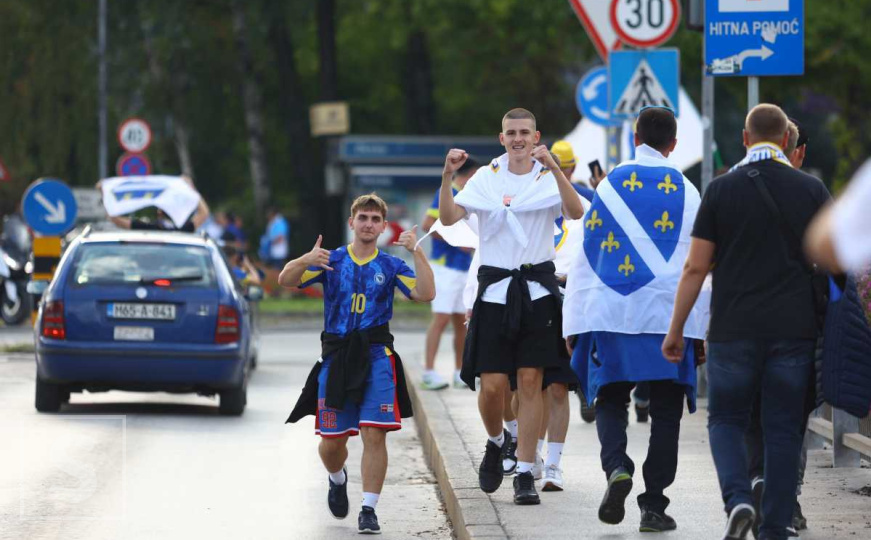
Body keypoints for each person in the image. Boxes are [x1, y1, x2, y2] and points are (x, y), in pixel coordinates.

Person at [663, 104, 830, 540]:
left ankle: (738, 499)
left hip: (733, 329)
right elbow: (835, 259)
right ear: (788, 141)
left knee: (726, 421)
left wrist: (677, 329)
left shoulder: (721, 190)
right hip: (793, 330)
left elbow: (695, 269)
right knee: (783, 426)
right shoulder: (811, 191)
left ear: (744, 139)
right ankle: (775, 525)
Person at [564, 106, 707, 533]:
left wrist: (576, 321)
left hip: (612, 314)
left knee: (609, 398)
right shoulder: (689, 191)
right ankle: (654, 505)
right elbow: (700, 263)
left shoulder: (608, 189)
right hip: (669, 317)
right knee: (666, 411)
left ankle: (616, 469)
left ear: (635, 138)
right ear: (674, 144)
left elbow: (586, 257)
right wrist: (698, 329)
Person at [438, 107, 584, 506]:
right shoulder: (486, 177)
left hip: (536, 290)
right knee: (493, 387)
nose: (518, 139)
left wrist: (555, 167)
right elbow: (450, 218)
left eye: (525, 132)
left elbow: (575, 212)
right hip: (495, 292)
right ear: (501, 138)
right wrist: (448, 175)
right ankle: (497, 439)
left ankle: (524, 473)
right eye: (511, 133)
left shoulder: (545, 177)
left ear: (536, 137)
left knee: (532, 381)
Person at [280, 193, 434, 534]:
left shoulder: (392, 265)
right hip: (337, 357)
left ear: (382, 226)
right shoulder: (331, 260)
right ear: (352, 222)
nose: (368, 224)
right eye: (362, 218)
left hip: (377, 356)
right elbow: (286, 280)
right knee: (332, 443)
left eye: (374, 219)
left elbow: (425, 294)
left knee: (374, 434)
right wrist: (305, 258)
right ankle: (337, 477)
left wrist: (417, 252)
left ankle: (369, 508)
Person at [420, 158, 479, 390]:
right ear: (470, 173)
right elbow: (427, 224)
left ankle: (459, 371)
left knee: (461, 322)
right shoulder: (447, 192)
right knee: (441, 319)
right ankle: (428, 372)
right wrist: (458, 243)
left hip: (462, 267)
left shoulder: (467, 194)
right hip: (444, 266)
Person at [100, 175, 210, 232]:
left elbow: (115, 219)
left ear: (159, 212)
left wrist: (106, 192)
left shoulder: (147, 229)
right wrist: (190, 189)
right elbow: (204, 213)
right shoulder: (183, 230)